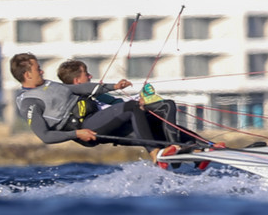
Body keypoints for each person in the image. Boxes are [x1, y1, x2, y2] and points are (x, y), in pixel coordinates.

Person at [10, 52, 174, 150]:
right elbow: (45, 136)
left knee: (163, 123)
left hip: (100, 119)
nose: (42, 71)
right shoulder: (29, 102)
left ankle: (192, 149)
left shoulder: (50, 85)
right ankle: (155, 153)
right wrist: (76, 133)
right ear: (28, 75)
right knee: (134, 110)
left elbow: (82, 89)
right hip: (87, 127)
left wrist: (113, 86)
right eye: (38, 69)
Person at [56, 58, 186, 148]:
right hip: (107, 130)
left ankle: (194, 147)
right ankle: (175, 146)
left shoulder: (95, 94)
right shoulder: (72, 96)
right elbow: (114, 108)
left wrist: (139, 97)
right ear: (77, 80)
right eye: (86, 74)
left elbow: (117, 102)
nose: (90, 76)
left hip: (118, 124)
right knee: (166, 107)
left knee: (163, 112)